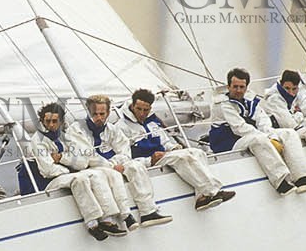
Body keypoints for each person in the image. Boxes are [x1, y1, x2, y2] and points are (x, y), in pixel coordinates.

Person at [208, 68, 306, 195]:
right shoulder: (222, 104)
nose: (238, 90)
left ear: (246, 87)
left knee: (289, 133)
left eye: (242, 87)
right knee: (259, 139)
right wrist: (268, 139)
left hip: (249, 137)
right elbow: (240, 128)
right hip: (228, 143)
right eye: (235, 86)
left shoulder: (250, 100)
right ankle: (280, 181)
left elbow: (263, 121)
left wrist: (272, 136)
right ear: (228, 86)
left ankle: (302, 177)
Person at [121, 89, 235, 211]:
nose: (142, 113)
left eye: (146, 110)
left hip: (164, 155)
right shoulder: (122, 127)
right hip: (150, 161)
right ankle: (212, 191)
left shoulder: (152, 122)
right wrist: (149, 160)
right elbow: (125, 158)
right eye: (139, 109)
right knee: (181, 157)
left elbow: (165, 142)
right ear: (132, 106)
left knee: (198, 152)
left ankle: (201, 197)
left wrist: (174, 147)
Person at [28, 103, 130, 241]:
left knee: (97, 174)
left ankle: (107, 218)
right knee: (80, 179)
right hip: (51, 181)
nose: (51, 125)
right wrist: (69, 167)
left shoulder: (66, 137)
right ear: (42, 121)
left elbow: (82, 162)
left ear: (61, 121)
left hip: (74, 172)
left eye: (54, 121)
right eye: (47, 121)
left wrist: (62, 159)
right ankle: (92, 223)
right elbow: (48, 169)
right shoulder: (37, 141)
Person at [83, 95, 170, 226]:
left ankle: (147, 211)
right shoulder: (78, 130)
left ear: (108, 112)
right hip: (94, 170)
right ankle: (120, 217)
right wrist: (112, 166)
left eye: (102, 113)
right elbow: (87, 157)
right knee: (110, 175)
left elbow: (124, 151)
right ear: (88, 112)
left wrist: (118, 163)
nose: (99, 118)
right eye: (95, 114)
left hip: (117, 165)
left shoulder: (113, 129)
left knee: (135, 166)